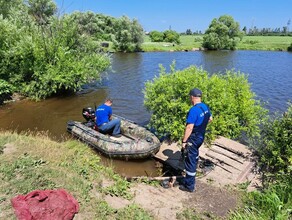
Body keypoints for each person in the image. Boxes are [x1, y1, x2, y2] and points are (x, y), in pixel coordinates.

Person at [179, 88, 212, 192]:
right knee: (195, 155)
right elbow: (210, 119)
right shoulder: (205, 107)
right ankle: (194, 169)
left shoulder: (194, 110)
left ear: (192, 97)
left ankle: (189, 186)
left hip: (193, 139)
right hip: (201, 136)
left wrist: (184, 142)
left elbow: (189, 128)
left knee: (190, 161)